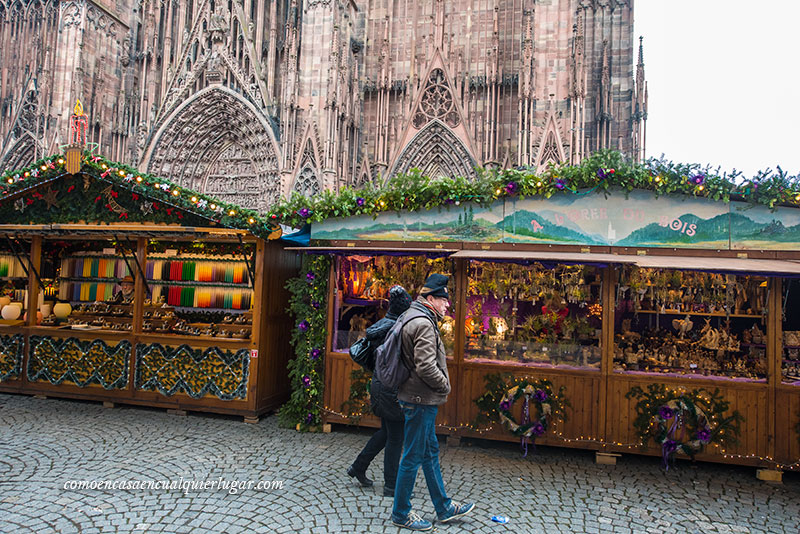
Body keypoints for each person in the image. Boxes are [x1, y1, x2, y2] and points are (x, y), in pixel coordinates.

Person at [391, 274, 474, 531]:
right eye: (443, 300)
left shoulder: (412, 316)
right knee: (413, 456)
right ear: (430, 299)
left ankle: (444, 506)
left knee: (429, 453)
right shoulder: (424, 323)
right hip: (419, 399)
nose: (447, 305)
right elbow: (426, 366)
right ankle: (401, 512)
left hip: (416, 397)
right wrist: (445, 385)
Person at [347, 285, 413, 496]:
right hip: (391, 388)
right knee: (396, 437)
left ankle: (358, 467)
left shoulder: (381, 326)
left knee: (387, 432)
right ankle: (392, 485)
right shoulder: (396, 330)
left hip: (379, 384)